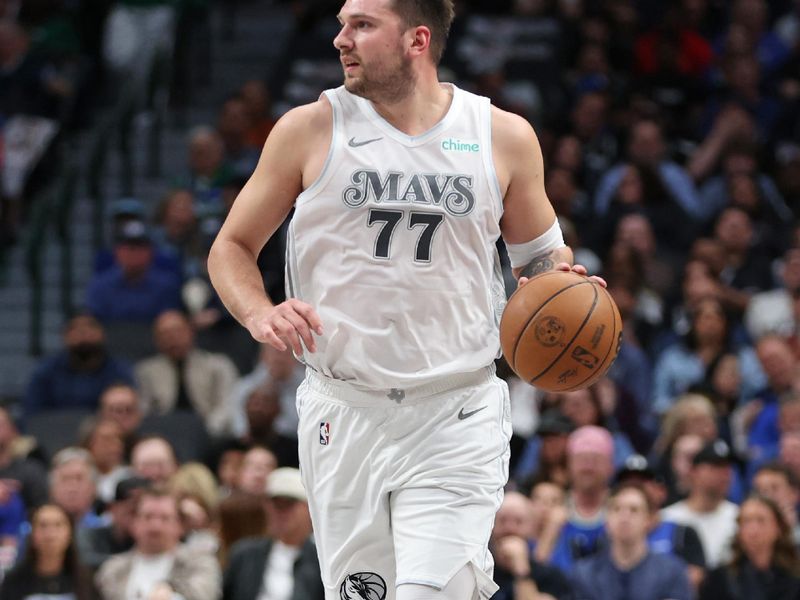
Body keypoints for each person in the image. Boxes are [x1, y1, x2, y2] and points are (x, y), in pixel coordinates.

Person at [207, 0, 597, 598]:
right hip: (343, 408)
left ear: (417, 40)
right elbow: (231, 246)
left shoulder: (502, 136)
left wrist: (565, 289)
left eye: (361, 26)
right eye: (342, 24)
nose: (341, 39)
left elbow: (540, 261)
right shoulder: (309, 128)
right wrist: (260, 312)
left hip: (455, 408)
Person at [570, 484, 692, 600]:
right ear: (606, 520)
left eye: (634, 510)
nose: (624, 517)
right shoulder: (585, 574)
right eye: (616, 509)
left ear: (649, 520)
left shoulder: (671, 572)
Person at [95, 488, 221, 600]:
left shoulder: (200, 563)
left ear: (180, 525)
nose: (155, 526)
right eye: (148, 517)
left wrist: (171, 589)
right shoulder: (112, 570)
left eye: (165, 518)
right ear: (134, 523)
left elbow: (205, 594)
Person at [223, 467, 324, 600]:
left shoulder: (321, 561)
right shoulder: (244, 554)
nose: (279, 512)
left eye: (288, 504)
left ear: (307, 508)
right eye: (275, 504)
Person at [699, 495, 800, 600]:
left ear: (778, 528)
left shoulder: (795, 577)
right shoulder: (720, 578)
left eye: (761, 520)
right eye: (746, 521)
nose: (753, 530)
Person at [661, 439, 740, 569]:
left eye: (728, 468)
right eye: (715, 467)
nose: (725, 474)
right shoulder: (668, 519)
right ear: (694, 471)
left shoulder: (738, 516)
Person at [0, 504, 97, 600]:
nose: (50, 534)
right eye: (43, 526)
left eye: (58, 525)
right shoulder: (14, 581)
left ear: (70, 533)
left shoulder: (84, 580)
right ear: (32, 534)